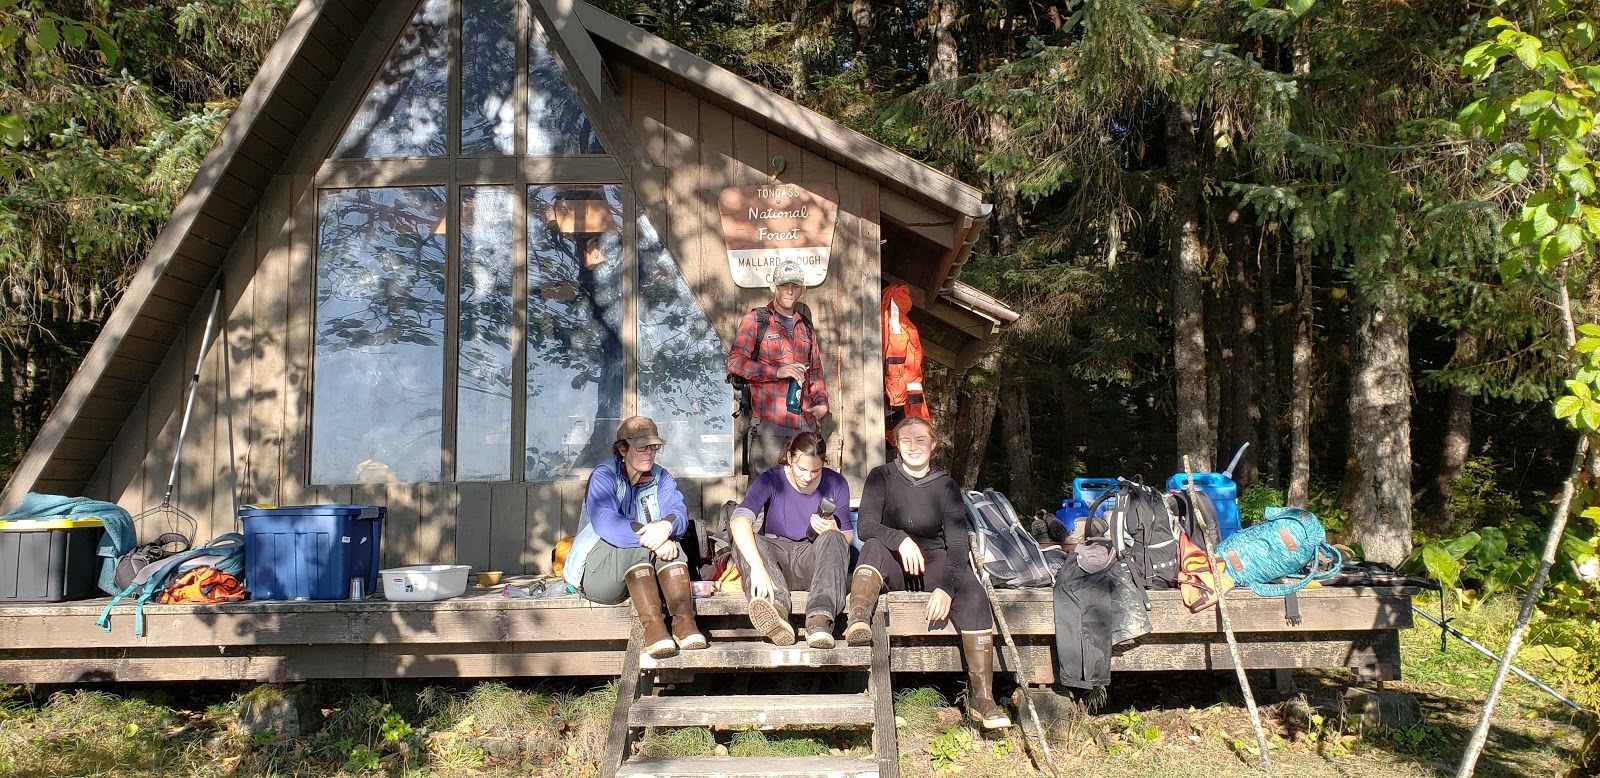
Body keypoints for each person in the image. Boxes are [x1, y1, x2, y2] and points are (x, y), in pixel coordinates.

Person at [847, 416, 1013, 729]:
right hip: (893, 563)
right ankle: (857, 619)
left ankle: (982, 699)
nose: (913, 446)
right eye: (906, 440)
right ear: (896, 444)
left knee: (975, 594)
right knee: (873, 548)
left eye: (920, 439)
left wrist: (947, 588)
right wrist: (901, 539)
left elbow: (957, 544)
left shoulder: (946, 485)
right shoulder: (881, 476)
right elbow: (866, 526)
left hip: (933, 564)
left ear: (933, 444)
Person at [568, 416, 705, 659]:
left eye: (654, 447)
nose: (650, 453)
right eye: (642, 447)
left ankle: (684, 625)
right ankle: (653, 627)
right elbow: (607, 523)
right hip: (599, 575)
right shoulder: (604, 476)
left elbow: (679, 513)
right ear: (623, 448)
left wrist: (666, 526)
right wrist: (656, 536)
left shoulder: (662, 477)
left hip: (640, 577)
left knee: (675, 547)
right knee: (645, 547)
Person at [728, 432, 853, 647]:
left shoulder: (836, 483)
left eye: (816, 471)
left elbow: (848, 536)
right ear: (789, 457)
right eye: (801, 469)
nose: (808, 477)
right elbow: (738, 521)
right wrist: (757, 567)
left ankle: (819, 620)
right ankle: (776, 613)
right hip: (775, 564)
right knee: (748, 540)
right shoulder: (771, 479)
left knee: (835, 538)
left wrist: (835, 529)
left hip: (813, 561)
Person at [727, 261, 830, 476]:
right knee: (766, 496)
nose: (789, 291)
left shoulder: (807, 326)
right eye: (784, 285)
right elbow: (735, 362)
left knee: (806, 491)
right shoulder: (757, 319)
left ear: (803, 289)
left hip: (805, 424)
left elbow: (815, 370)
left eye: (794, 286)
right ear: (773, 286)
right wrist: (776, 371)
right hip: (769, 427)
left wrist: (822, 403)